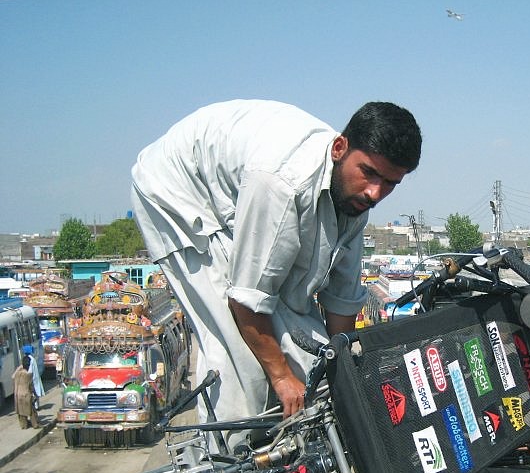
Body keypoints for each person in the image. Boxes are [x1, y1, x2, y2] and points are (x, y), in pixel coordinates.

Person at [131, 99, 421, 448]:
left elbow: (342, 301)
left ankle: (277, 460)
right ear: (340, 148)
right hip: (180, 194)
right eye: (369, 173)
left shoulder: (357, 199)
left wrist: (340, 368)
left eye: (390, 183)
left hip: (238, 186)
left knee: (311, 357)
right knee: (244, 367)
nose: (376, 192)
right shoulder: (283, 183)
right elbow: (246, 301)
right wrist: (282, 377)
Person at [13, 355, 40, 429]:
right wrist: (34, 394)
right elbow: (31, 387)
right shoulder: (28, 375)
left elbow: (12, 376)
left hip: (17, 395)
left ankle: (24, 426)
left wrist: (19, 368)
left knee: (21, 412)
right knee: (31, 411)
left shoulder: (17, 374)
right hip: (26, 395)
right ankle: (35, 425)